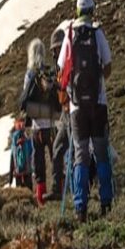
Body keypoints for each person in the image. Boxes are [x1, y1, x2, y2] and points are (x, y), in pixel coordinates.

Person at [58, 0, 113, 222]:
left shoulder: (69, 35)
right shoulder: (97, 32)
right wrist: (99, 81)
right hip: (98, 104)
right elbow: (108, 65)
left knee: (80, 156)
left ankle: (80, 208)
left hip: (76, 107)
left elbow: (61, 70)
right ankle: (106, 202)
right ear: (92, 10)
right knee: (101, 153)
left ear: (77, 10)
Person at [23, 38, 55, 206]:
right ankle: (60, 189)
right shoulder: (48, 72)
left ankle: (41, 197)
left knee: (39, 162)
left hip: (36, 127)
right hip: (51, 124)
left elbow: (25, 100)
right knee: (55, 158)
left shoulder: (29, 74)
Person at [49, 25, 72, 200]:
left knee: (75, 150)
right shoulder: (59, 67)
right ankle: (58, 188)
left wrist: (54, 86)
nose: (53, 54)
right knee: (57, 149)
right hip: (65, 114)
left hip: (72, 112)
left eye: (55, 49)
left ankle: (77, 186)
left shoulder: (68, 63)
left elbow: (67, 87)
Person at [7, 119, 33, 188]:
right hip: (27, 171)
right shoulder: (27, 138)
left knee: (20, 194)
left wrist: (10, 180)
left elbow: (12, 160)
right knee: (29, 191)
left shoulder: (13, 140)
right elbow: (32, 153)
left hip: (18, 172)